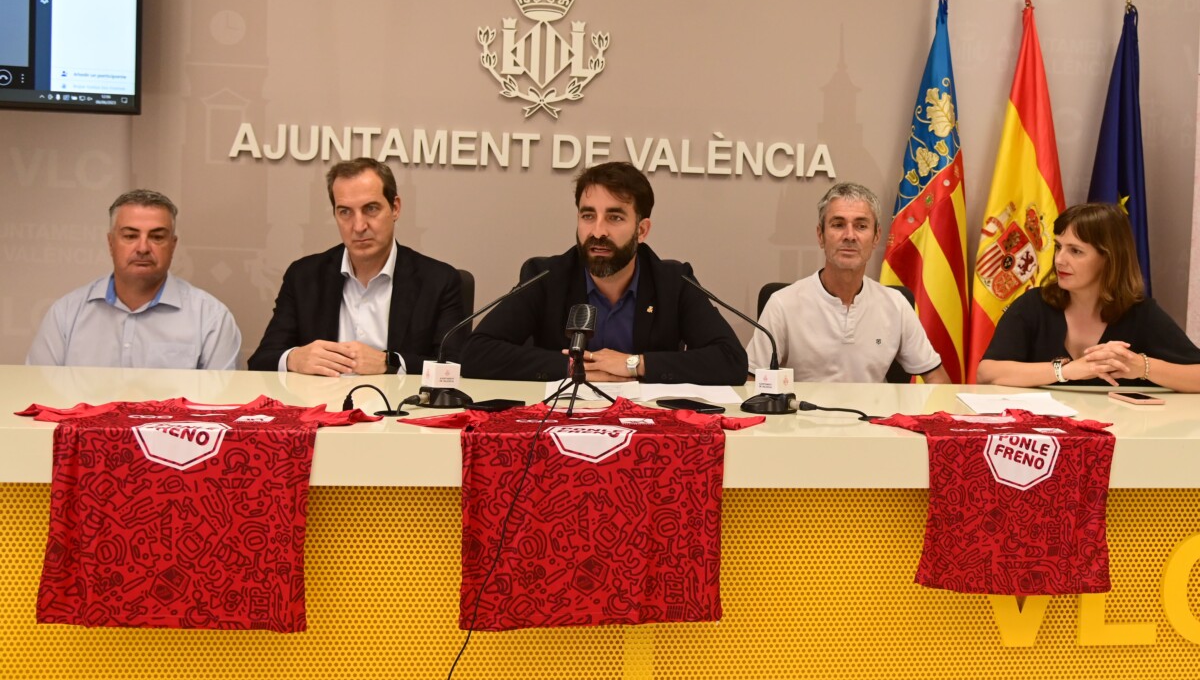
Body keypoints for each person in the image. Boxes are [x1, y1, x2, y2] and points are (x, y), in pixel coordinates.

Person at [461, 161, 747, 384]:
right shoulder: (546, 276)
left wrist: (634, 364)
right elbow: (477, 353)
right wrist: (574, 367)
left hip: (648, 428)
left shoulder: (673, 281)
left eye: (615, 217)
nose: (597, 231)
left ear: (642, 229)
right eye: (588, 216)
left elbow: (731, 361)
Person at [248, 158, 464, 376]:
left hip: (399, 407)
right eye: (345, 212)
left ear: (395, 208)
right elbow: (261, 360)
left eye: (371, 209)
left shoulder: (438, 281)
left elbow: (453, 368)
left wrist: (389, 363)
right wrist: (295, 358)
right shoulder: (304, 276)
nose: (359, 226)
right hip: (321, 404)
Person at [977, 202, 1200, 391]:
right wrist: (1066, 371)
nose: (1059, 260)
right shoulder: (1033, 304)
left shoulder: (1140, 313)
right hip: (1043, 436)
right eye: (1058, 247)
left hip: (1118, 435)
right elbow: (987, 372)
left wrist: (1142, 366)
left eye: (1076, 251)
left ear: (1109, 258)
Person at [747, 182, 950, 383]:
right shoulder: (782, 304)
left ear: (876, 236)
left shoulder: (896, 304)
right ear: (821, 236)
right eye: (838, 225)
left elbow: (935, 378)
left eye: (861, 226)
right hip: (802, 414)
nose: (850, 236)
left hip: (873, 414)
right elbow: (750, 381)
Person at [27, 190, 242, 369]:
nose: (143, 248)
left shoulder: (211, 318)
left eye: (157, 237)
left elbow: (220, 409)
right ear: (111, 243)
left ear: (173, 245)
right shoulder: (66, 314)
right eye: (130, 236)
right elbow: (37, 394)